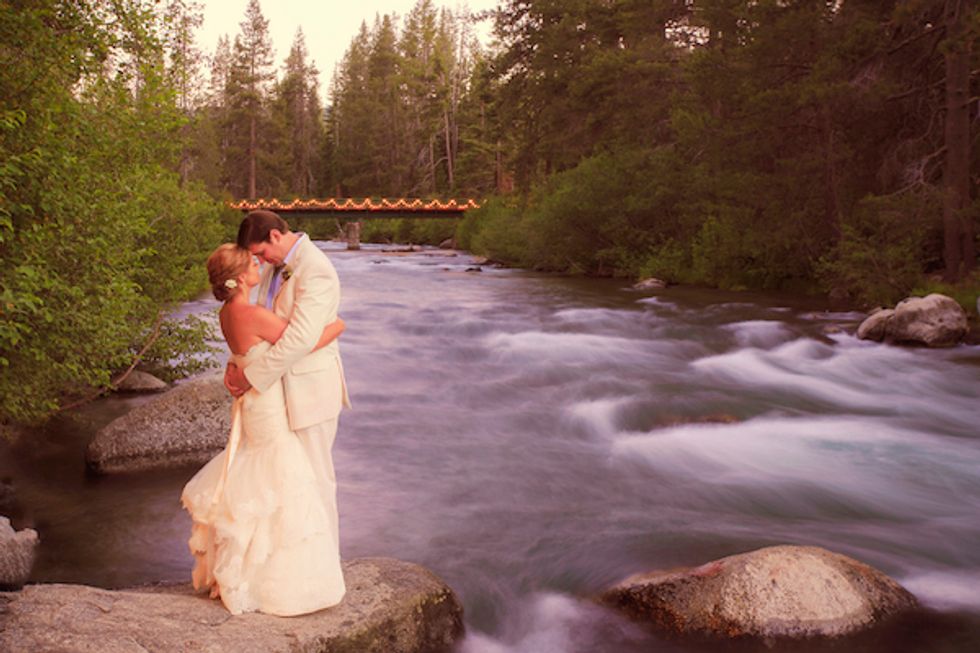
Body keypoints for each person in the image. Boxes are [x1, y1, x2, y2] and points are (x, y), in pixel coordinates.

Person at [181, 244, 346, 616]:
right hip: (266, 403)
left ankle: (248, 567)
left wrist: (233, 368)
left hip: (251, 402)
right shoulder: (252, 313)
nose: (259, 265)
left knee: (258, 474)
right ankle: (273, 578)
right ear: (240, 278)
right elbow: (302, 341)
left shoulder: (227, 313)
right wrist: (338, 326)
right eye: (252, 263)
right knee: (279, 479)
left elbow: (243, 351)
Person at [224, 210, 351, 548]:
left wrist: (250, 376)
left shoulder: (316, 269)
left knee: (316, 478)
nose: (260, 261)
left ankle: (326, 559)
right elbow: (257, 327)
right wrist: (237, 362)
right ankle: (291, 555)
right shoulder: (274, 267)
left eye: (261, 253)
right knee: (287, 481)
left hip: (310, 390)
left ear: (275, 236)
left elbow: (300, 339)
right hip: (277, 392)